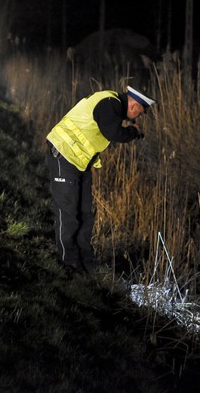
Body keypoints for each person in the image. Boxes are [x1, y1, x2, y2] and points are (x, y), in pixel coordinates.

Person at [46, 85, 156, 274]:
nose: (139, 115)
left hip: (80, 162)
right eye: (141, 111)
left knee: (85, 214)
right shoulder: (109, 102)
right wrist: (134, 132)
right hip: (63, 155)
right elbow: (113, 133)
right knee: (68, 213)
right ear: (134, 105)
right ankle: (68, 264)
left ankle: (86, 262)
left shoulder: (111, 105)